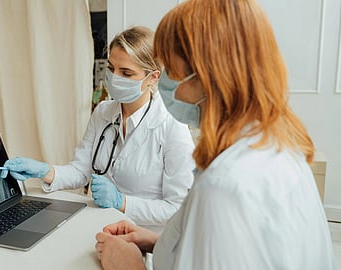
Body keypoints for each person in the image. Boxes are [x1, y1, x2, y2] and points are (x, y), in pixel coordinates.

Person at [94, 0, 337, 269]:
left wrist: (130, 266)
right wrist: (155, 241)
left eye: (172, 73)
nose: (165, 85)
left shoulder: (225, 187)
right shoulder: (278, 147)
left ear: (211, 78)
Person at [1, 26, 195, 233]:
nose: (116, 77)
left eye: (126, 73)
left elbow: (178, 209)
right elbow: (80, 171)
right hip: (100, 228)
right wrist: (44, 171)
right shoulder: (103, 112)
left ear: (153, 77)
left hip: (146, 238)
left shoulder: (171, 125)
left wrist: (122, 203)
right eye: (112, 69)